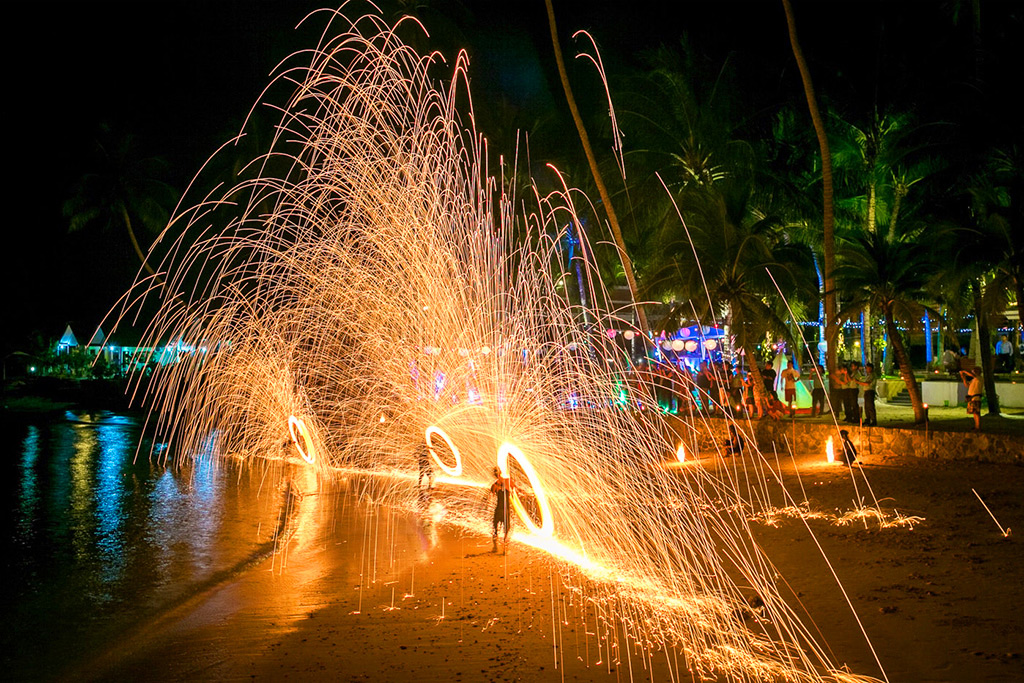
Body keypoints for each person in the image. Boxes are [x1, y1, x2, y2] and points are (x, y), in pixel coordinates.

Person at [489, 466, 513, 553]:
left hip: (498, 509)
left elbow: (491, 495)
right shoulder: (508, 482)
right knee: (506, 530)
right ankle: (505, 549)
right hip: (505, 510)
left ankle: (495, 547)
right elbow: (515, 492)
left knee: (495, 528)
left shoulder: (494, 485)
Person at [960, 366, 984, 431]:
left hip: (976, 398)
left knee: (976, 413)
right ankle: (976, 426)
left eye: (973, 371)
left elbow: (972, 375)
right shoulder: (974, 379)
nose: (972, 373)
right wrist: (963, 377)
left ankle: (978, 426)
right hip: (972, 398)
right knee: (974, 413)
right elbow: (967, 385)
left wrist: (964, 371)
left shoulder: (979, 378)